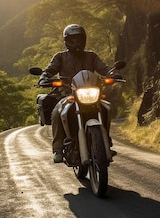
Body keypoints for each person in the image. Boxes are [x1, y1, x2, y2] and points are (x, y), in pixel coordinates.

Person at [39, 24, 111, 163]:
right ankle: (58, 148)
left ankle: (105, 140)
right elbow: (50, 69)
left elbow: (103, 67)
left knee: (106, 107)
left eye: (78, 39)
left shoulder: (91, 56)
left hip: (90, 93)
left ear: (84, 39)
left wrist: (112, 73)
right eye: (72, 39)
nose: (76, 42)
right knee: (56, 113)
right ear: (66, 41)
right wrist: (44, 76)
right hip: (67, 94)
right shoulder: (60, 57)